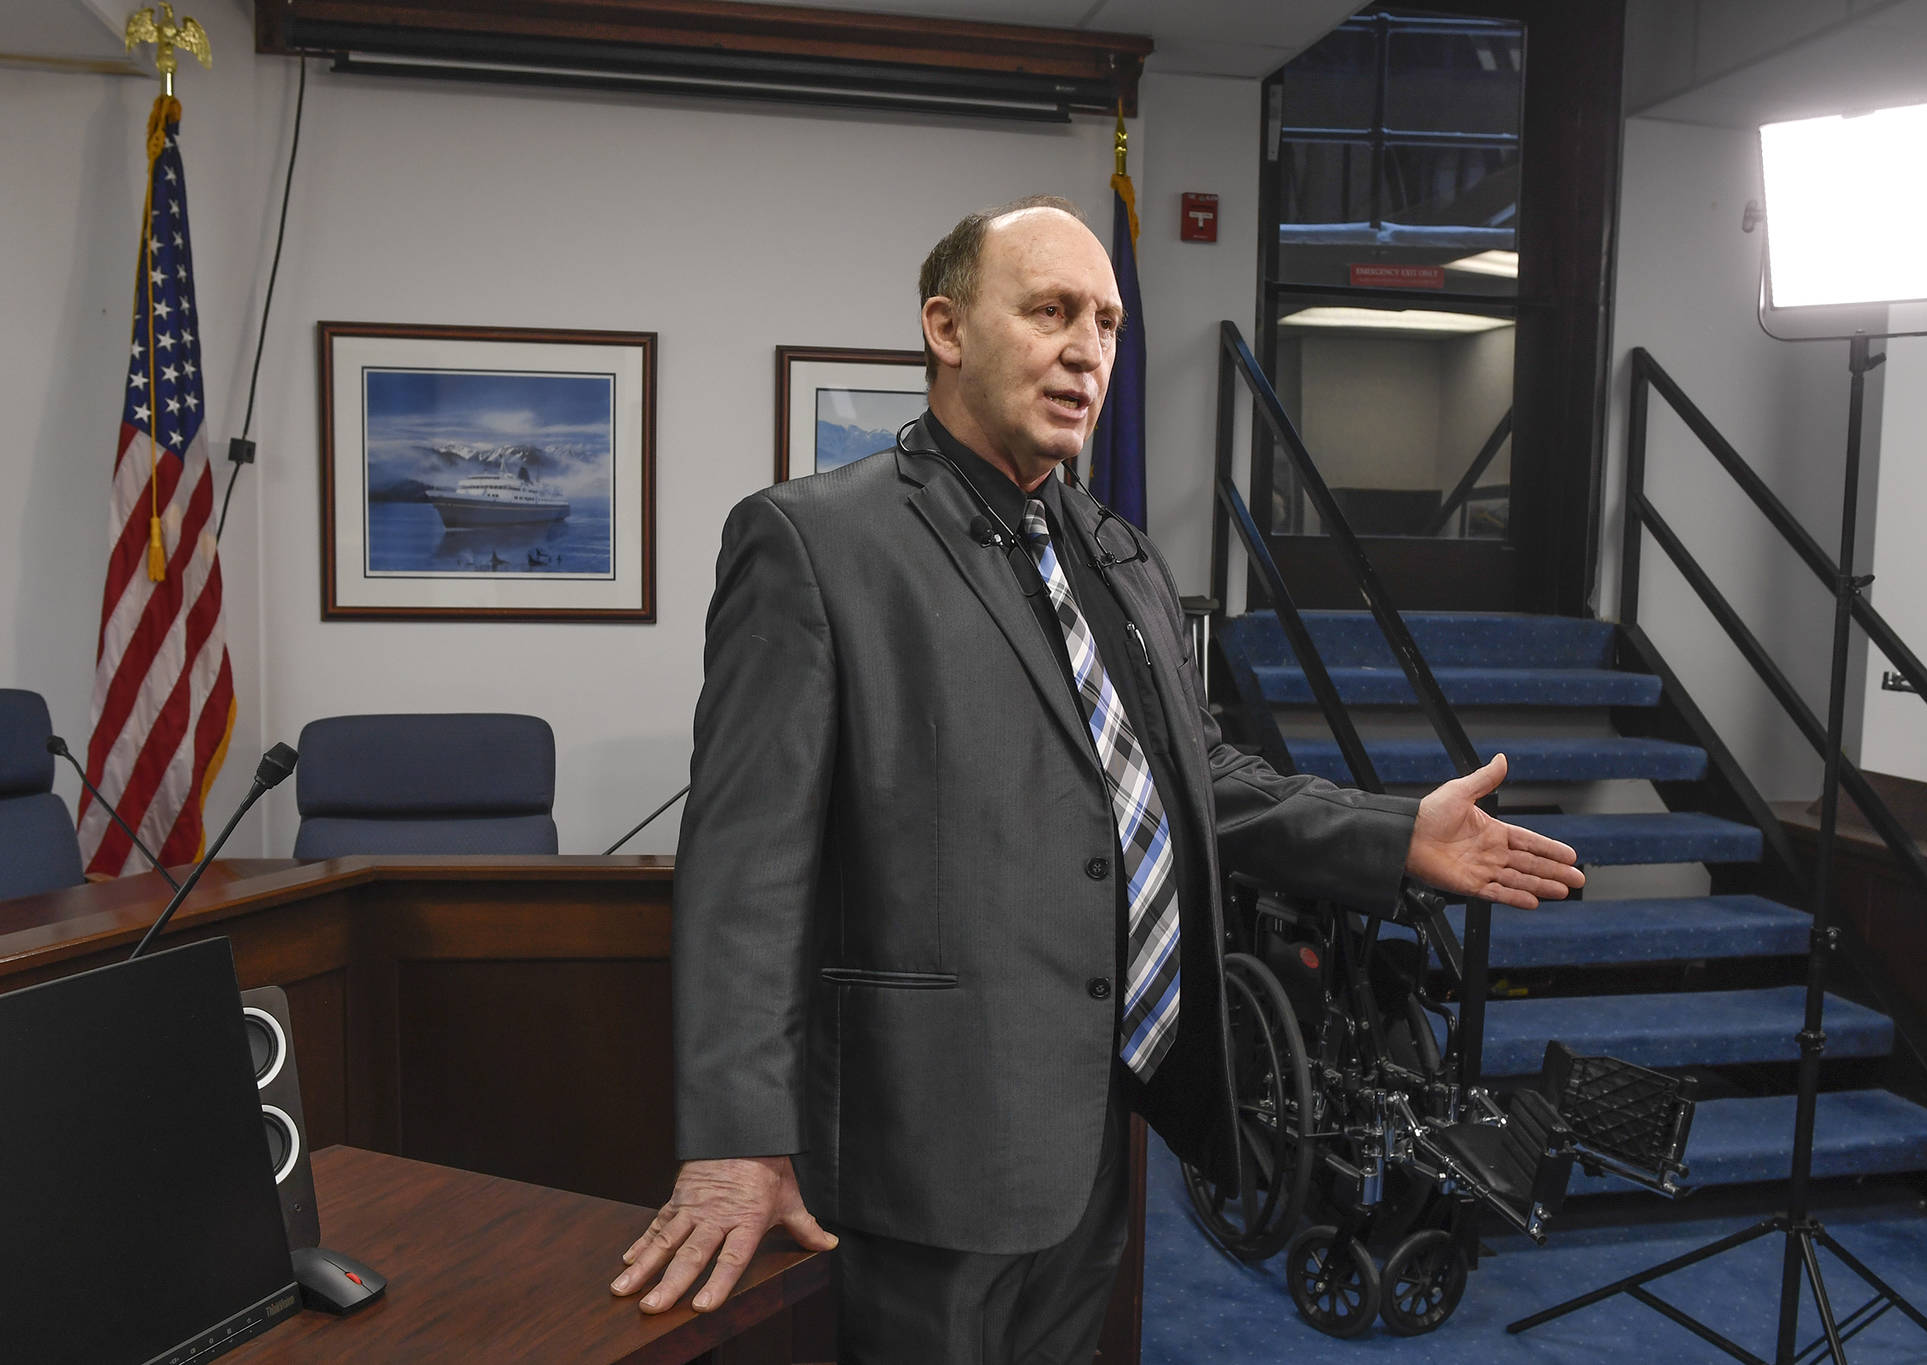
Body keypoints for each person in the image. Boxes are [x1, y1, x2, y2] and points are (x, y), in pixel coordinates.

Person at [608, 195, 1583, 1361]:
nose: (1087, 350)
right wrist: (734, 1138)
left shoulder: (1116, 554)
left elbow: (1190, 776)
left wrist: (1387, 834)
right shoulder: (814, 544)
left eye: (1108, 323)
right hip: (917, 1146)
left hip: (1096, 1125)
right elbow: (747, 867)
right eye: (1051, 312)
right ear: (946, 327)